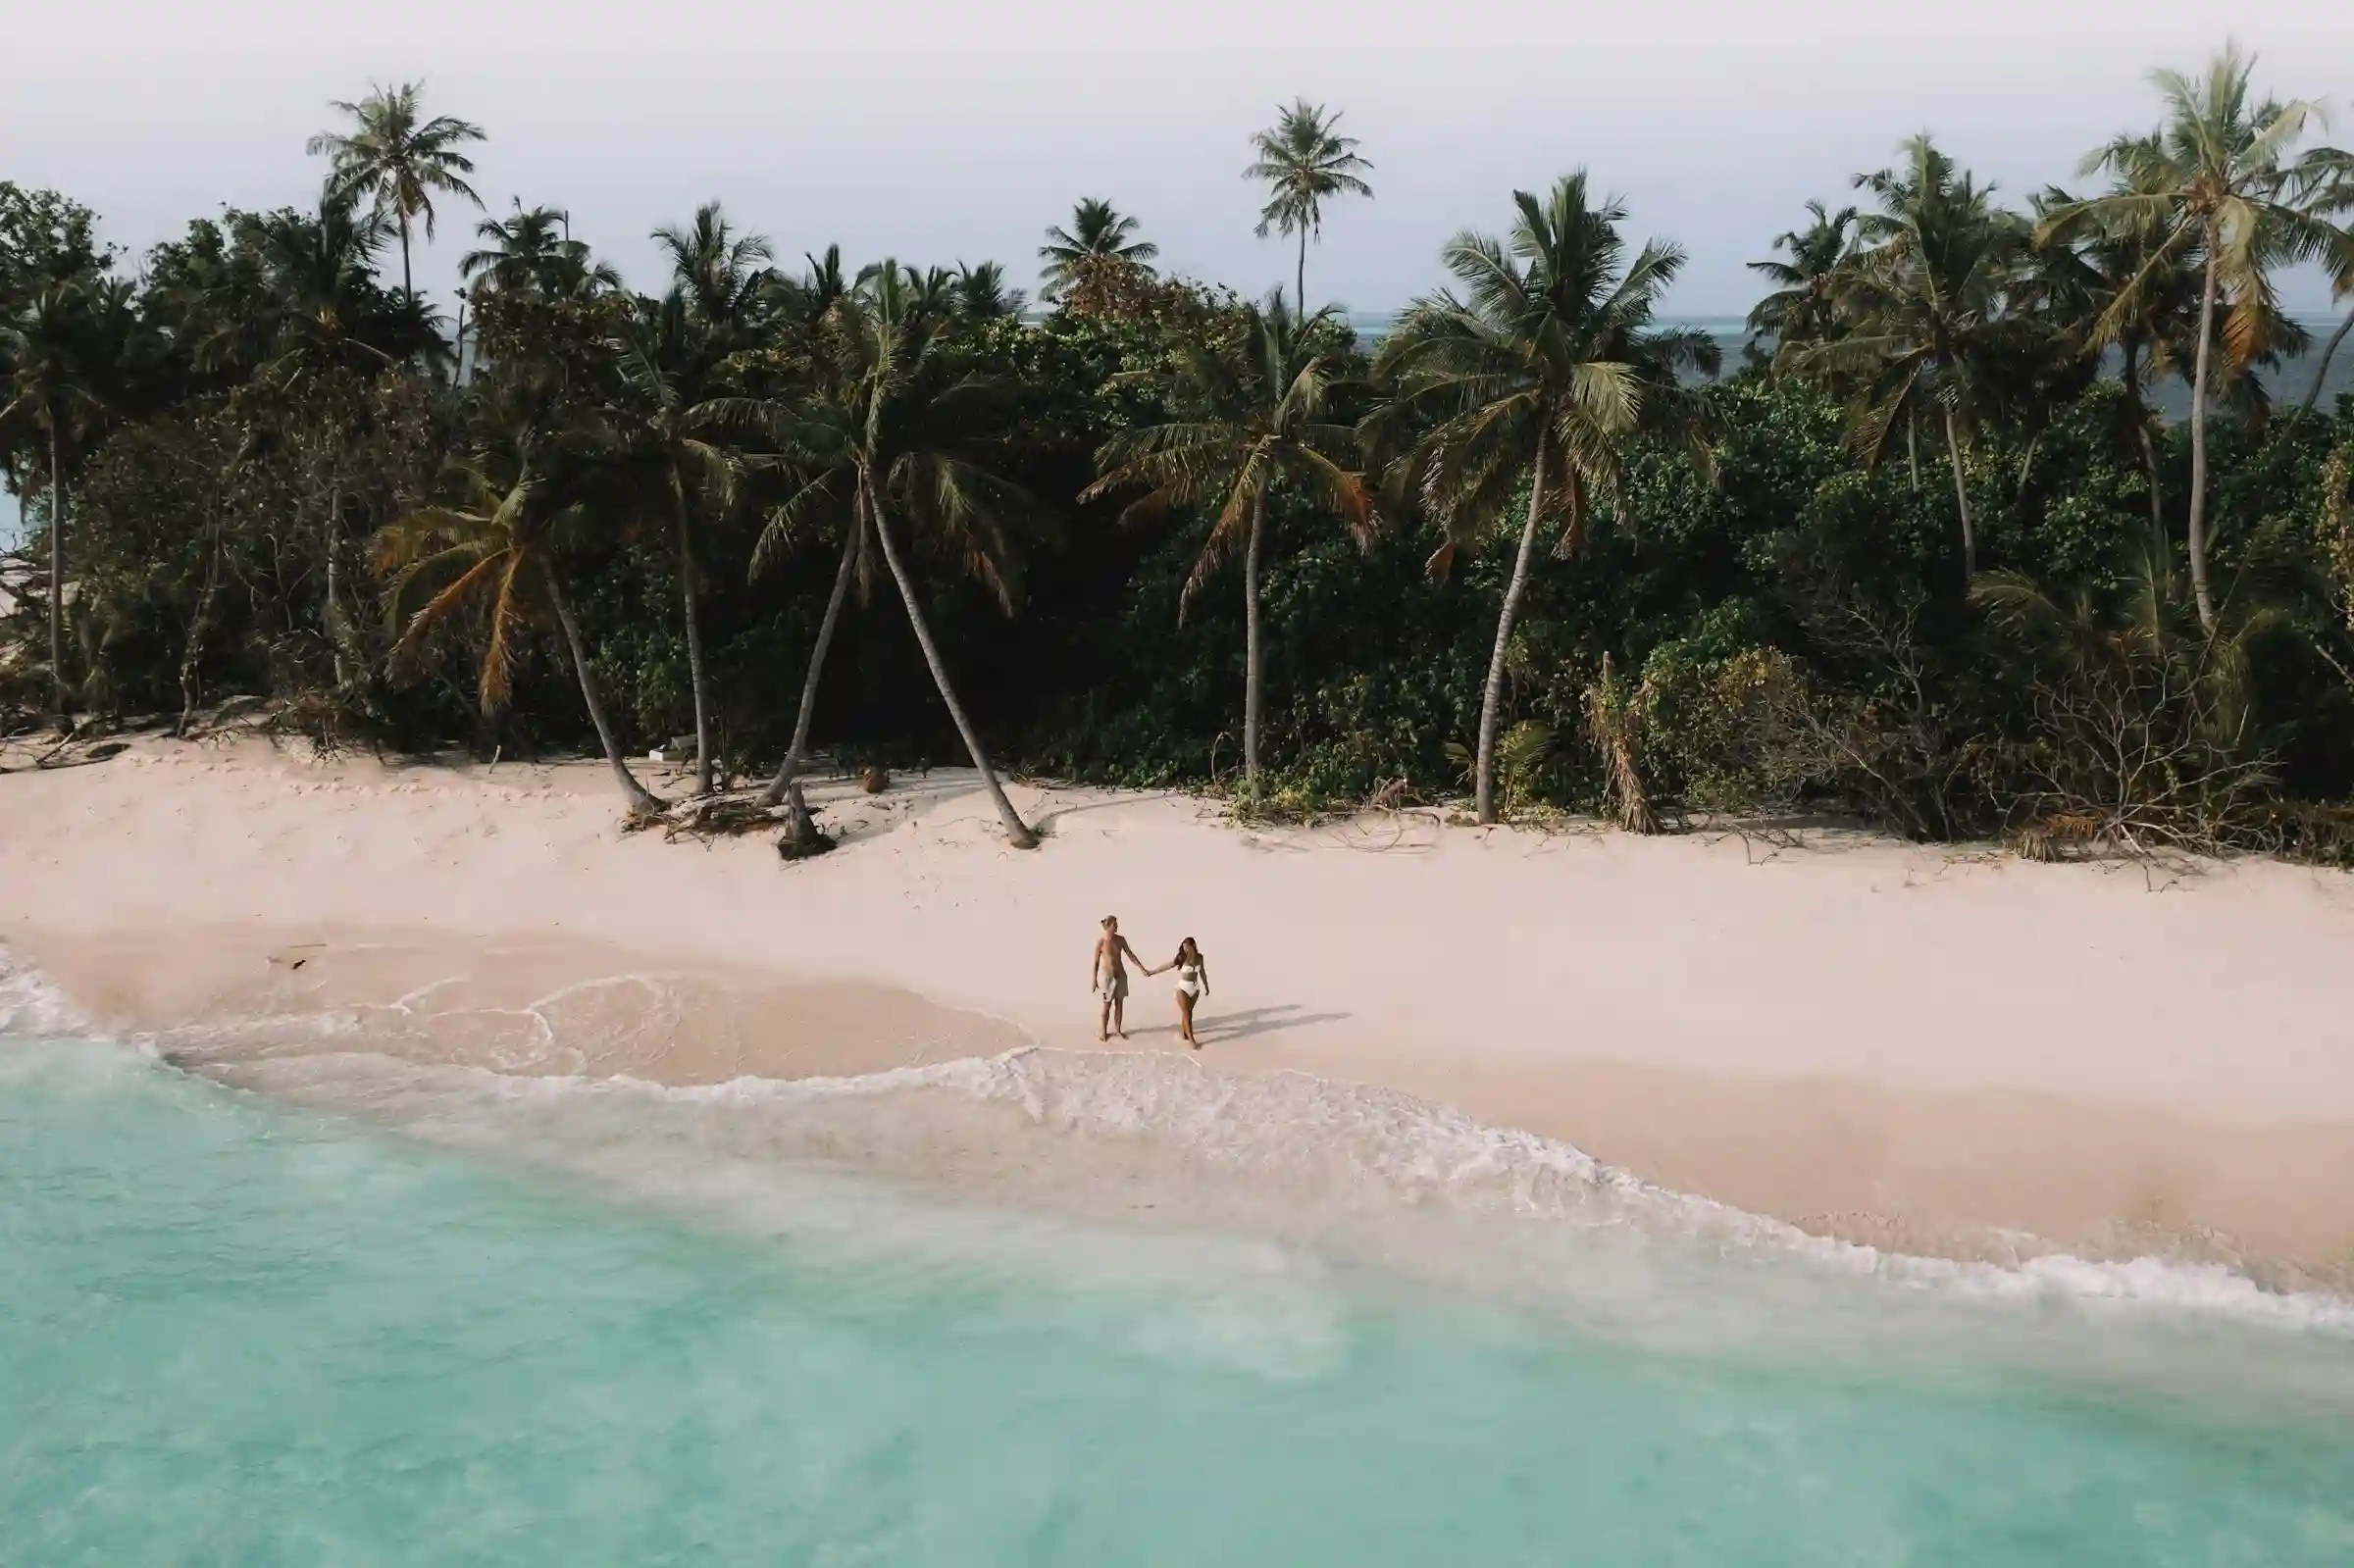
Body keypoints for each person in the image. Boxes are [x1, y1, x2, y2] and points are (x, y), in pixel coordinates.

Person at [1147, 937, 1210, 1048]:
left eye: (1187, 947)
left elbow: (1202, 972)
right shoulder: (1182, 957)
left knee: (1188, 1013)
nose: (1185, 950)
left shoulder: (1199, 957)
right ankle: (1192, 1040)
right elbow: (1168, 965)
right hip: (1183, 988)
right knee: (1186, 1013)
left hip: (1195, 988)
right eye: (1184, 947)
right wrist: (1153, 972)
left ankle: (1184, 1033)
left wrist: (1206, 985)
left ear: (1193, 946)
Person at [1090, 915, 1146, 1041]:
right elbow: (1096, 962)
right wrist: (1094, 979)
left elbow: (1130, 955)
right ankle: (1104, 1032)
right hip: (1108, 978)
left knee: (1119, 1004)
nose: (1117, 927)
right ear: (1108, 926)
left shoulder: (1120, 940)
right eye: (1115, 925)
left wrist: (1141, 968)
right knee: (1106, 1006)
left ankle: (1118, 1030)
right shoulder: (1101, 942)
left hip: (1121, 975)